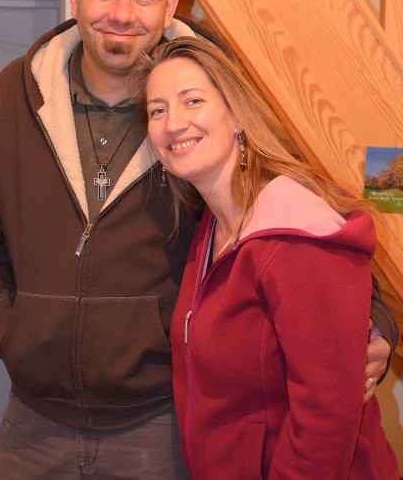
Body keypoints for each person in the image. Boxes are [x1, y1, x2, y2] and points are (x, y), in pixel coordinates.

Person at [0, 0, 397, 479]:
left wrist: (375, 321)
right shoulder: (15, 93)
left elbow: (306, 220)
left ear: (170, 5)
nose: (122, 13)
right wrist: (7, 325)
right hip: (32, 421)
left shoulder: (215, 103)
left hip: (161, 424)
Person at [132, 35, 400, 479]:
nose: (173, 123)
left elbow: (325, 420)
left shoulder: (296, 238)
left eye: (192, 100)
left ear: (237, 115)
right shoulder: (213, 226)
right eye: (157, 110)